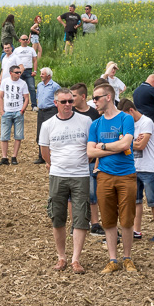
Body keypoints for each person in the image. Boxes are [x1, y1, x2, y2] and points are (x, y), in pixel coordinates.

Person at [39, 88, 93, 274]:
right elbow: (44, 151)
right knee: (57, 216)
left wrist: (82, 163)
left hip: (80, 175)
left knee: (81, 216)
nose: (68, 104)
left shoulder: (85, 121)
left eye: (71, 101)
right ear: (56, 103)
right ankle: (61, 256)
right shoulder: (48, 125)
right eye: (64, 102)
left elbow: (91, 147)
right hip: (58, 175)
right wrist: (54, 164)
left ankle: (75, 259)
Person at [87, 83, 137, 274]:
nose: (94, 102)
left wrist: (103, 146)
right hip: (104, 176)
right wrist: (115, 147)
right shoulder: (95, 124)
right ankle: (113, 259)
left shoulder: (126, 118)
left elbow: (126, 144)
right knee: (108, 219)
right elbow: (90, 152)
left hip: (126, 175)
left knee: (127, 219)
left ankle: (127, 258)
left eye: (97, 98)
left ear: (108, 97)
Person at [119, 99, 154, 243]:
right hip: (133, 167)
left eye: (125, 116)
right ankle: (136, 230)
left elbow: (141, 145)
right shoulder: (128, 124)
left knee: (153, 201)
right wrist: (132, 142)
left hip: (148, 168)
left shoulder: (147, 122)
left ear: (131, 111)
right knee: (136, 201)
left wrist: (126, 142)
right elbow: (124, 142)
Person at [71, 82, 102, 234]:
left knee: (92, 193)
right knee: (72, 195)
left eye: (74, 96)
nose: (70, 100)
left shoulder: (94, 115)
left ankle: (95, 223)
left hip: (90, 160)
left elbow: (98, 137)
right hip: (74, 159)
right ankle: (75, 223)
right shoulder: (69, 113)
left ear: (83, 97)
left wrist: (95, 160)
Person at [0, 65, 29, 165]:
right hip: (7, 111)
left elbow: (26, 98)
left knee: (18, 136)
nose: (19, 74)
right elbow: (0, 96)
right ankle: (4, 157)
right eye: (17, 72)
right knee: (4, 136)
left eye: (20, 72)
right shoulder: (5, 82)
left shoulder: (23, 83)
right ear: (11, 73)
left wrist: (22, 110)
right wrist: (2, 111)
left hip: (18, 112)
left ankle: (14, 156)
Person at [132, 74, 154, 162]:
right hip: (152, 120)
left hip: (140, 121)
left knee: (142, 143)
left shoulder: (137, 90)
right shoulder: (153, 90)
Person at [34, 68, 61, 164]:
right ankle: (41, 156)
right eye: (41, 74)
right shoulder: (39, 85)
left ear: (49, 76)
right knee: (40, 132)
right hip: (41, 111)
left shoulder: (55, 86)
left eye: (43, 74)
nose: (40, 75)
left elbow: (60, 98)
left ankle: (52, 156)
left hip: (51, 111)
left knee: (51, 133)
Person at [14, 35, 39, 109]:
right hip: (19, 71)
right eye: (23, 39)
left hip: (29, 70)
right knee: (19, 88)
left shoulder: (31, 49)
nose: (25, 41)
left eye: (26, 39)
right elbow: (14, 61)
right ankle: (20, 105)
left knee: (32, 88)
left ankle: (34, 105)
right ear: (20, 40)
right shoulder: (16, 50)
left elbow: (35, 60)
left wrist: (35, 71)